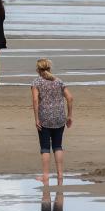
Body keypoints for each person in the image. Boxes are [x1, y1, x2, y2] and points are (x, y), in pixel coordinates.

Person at [31, 58, 74, 186]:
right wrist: (69, 115)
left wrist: (36, 118)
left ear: (38, 70)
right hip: (59, 117)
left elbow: (35, 101)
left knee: (45, 148)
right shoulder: (58, 81)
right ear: (50, 68)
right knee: (57, 146)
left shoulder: (36, 82)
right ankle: (60, 175)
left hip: (45, 118)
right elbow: (70, 98)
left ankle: (45, 176)